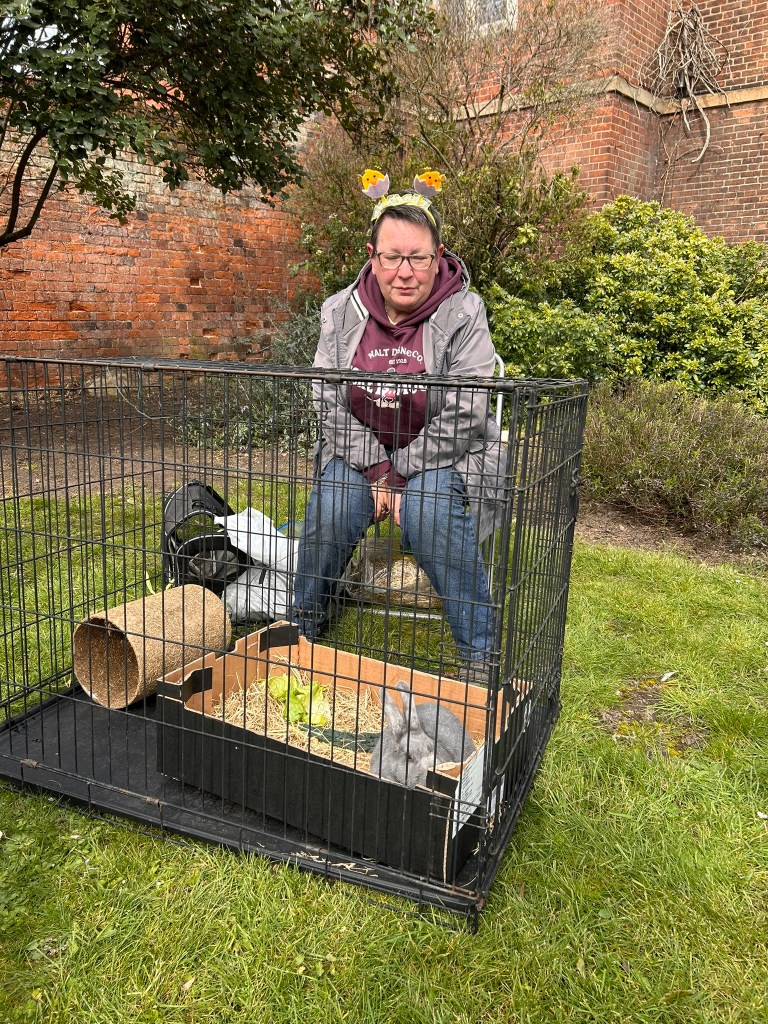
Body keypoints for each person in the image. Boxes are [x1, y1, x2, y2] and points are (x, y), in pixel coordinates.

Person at [291, 172, 505, 685]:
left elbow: (467, 412)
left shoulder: (464, 312)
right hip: (367, 453)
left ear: (439, 255)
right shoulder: (341, 312)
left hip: (447, 456)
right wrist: (378, 469)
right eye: (392, 256)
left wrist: (401, 473)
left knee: (431, 511)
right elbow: (326, 396)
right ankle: (300, 630)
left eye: (418, 257)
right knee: (334, 503)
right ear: (372, 255)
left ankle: (479, 652)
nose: (404, 272)